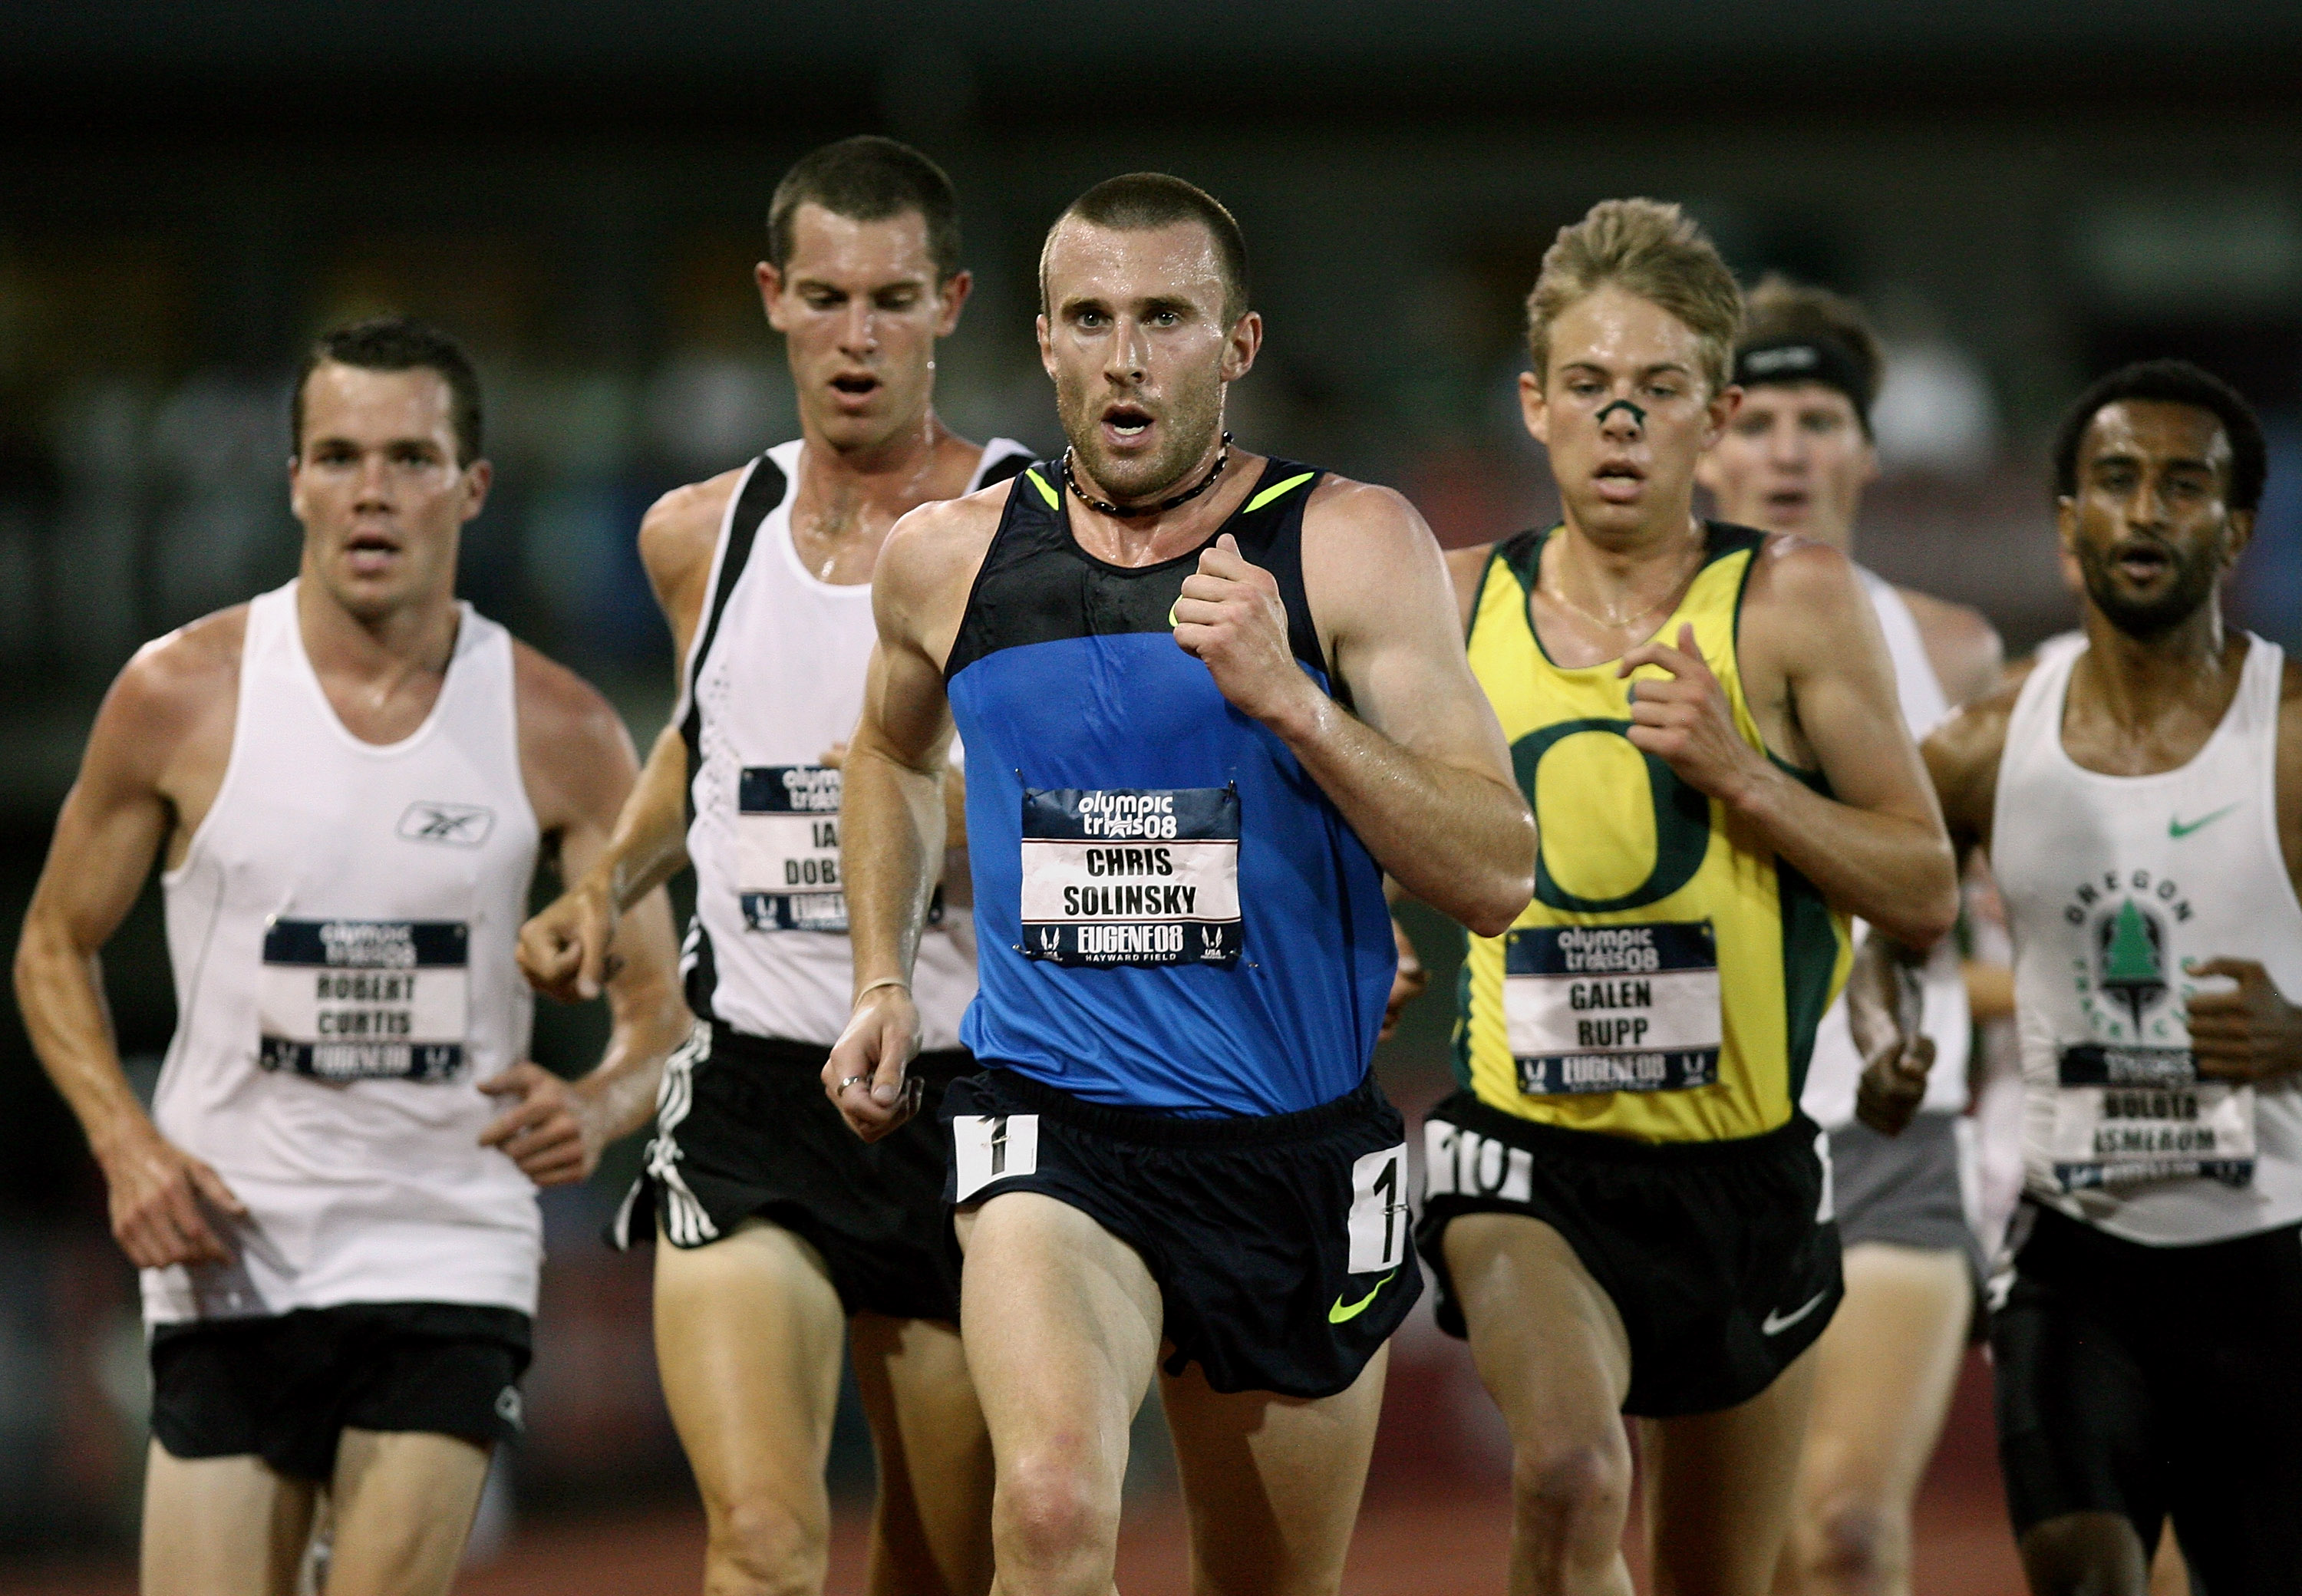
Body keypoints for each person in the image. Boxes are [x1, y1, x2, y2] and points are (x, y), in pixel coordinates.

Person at [823, 172, 1535, 1596]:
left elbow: (1495, 868)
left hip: (1293, 1149)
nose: (1127, 357)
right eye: (1092, 318)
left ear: (1240, 345)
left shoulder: (1344, 542)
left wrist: (1295, 700)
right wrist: (886, 976)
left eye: (1166, 317)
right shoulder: (947, 560)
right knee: (1051, 1511)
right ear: (1042, 342)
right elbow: (889, 758)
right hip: (1053, 1125)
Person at [12, 316, 688, 1596]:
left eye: (410, 457)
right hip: (232, 1250)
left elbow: (664, 1011)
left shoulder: (560, 725)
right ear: (294, 482)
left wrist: (596, 1107)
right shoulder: (179, 694)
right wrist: (125, 1142)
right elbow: (52, 945)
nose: (371, 490)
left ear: (473, 487)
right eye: (336, 455)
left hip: (448, 1241)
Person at [1420, 200, 1958, 1596]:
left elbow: (1923, 887)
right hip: (1525, 1153)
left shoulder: (1791, 605)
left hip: (1742, 1170)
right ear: (1535, 405)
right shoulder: (1452, 604)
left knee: (1724, 1574)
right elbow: (1351, 807)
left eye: (1656, 393)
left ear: (1714, 415)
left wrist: (1748, 778)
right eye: (1589, 390)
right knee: (1572, 1472)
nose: (1619, 423)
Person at [516, 136, 1029, 1596]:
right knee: (758, 1540)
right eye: (824, 296)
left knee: (945, 1562)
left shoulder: (1020, 526)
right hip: (752, 1091)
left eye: (890, 298)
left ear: (951, 304)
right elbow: (701, 740)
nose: (855, 336)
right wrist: (604, 884)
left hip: (963, 1096)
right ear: (770, 298)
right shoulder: (700, 532)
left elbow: (1113, 796)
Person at [1874, 358, 2300, 1596]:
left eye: (2186, 485)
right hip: (2076, 1262)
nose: (2150, 510)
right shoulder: (1982, 743)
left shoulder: (2291, 737)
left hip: (2269, 1262)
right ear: (2069, 526)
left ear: (2238, 530)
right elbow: (1891, 936)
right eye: (2117, 481)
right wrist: (1897, 1027)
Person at [1691, 276, 2003, 1596]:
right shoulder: (1627, 636)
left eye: (1820, 418)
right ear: (1705, 439)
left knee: (1847, 1531)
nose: (1786, 450)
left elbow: (1993, 922)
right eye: (1755, 418)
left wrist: (1950, 1001)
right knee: (1736, 1556)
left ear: (1871, 450)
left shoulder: (1955, 648)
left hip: (1891, 1142)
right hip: (1696, 1137)